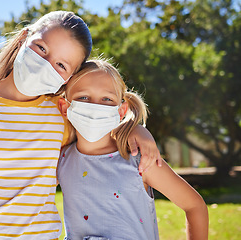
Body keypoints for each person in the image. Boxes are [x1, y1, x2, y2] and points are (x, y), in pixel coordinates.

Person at [0, 11, 162, 240]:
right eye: (41, 48)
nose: (45, 63)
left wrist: (137, 129)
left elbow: (100, 128)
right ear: (23, 39)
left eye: (61, 65)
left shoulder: (60, 113)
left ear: (68, 79)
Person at [57, 59, 209, 240]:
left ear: (121, 111)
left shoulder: (141, 160)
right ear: (65, 107)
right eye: (83, 97)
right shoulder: (60, 160)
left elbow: (194, 206)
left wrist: (138, 129)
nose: (96, 106)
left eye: (107, 99)